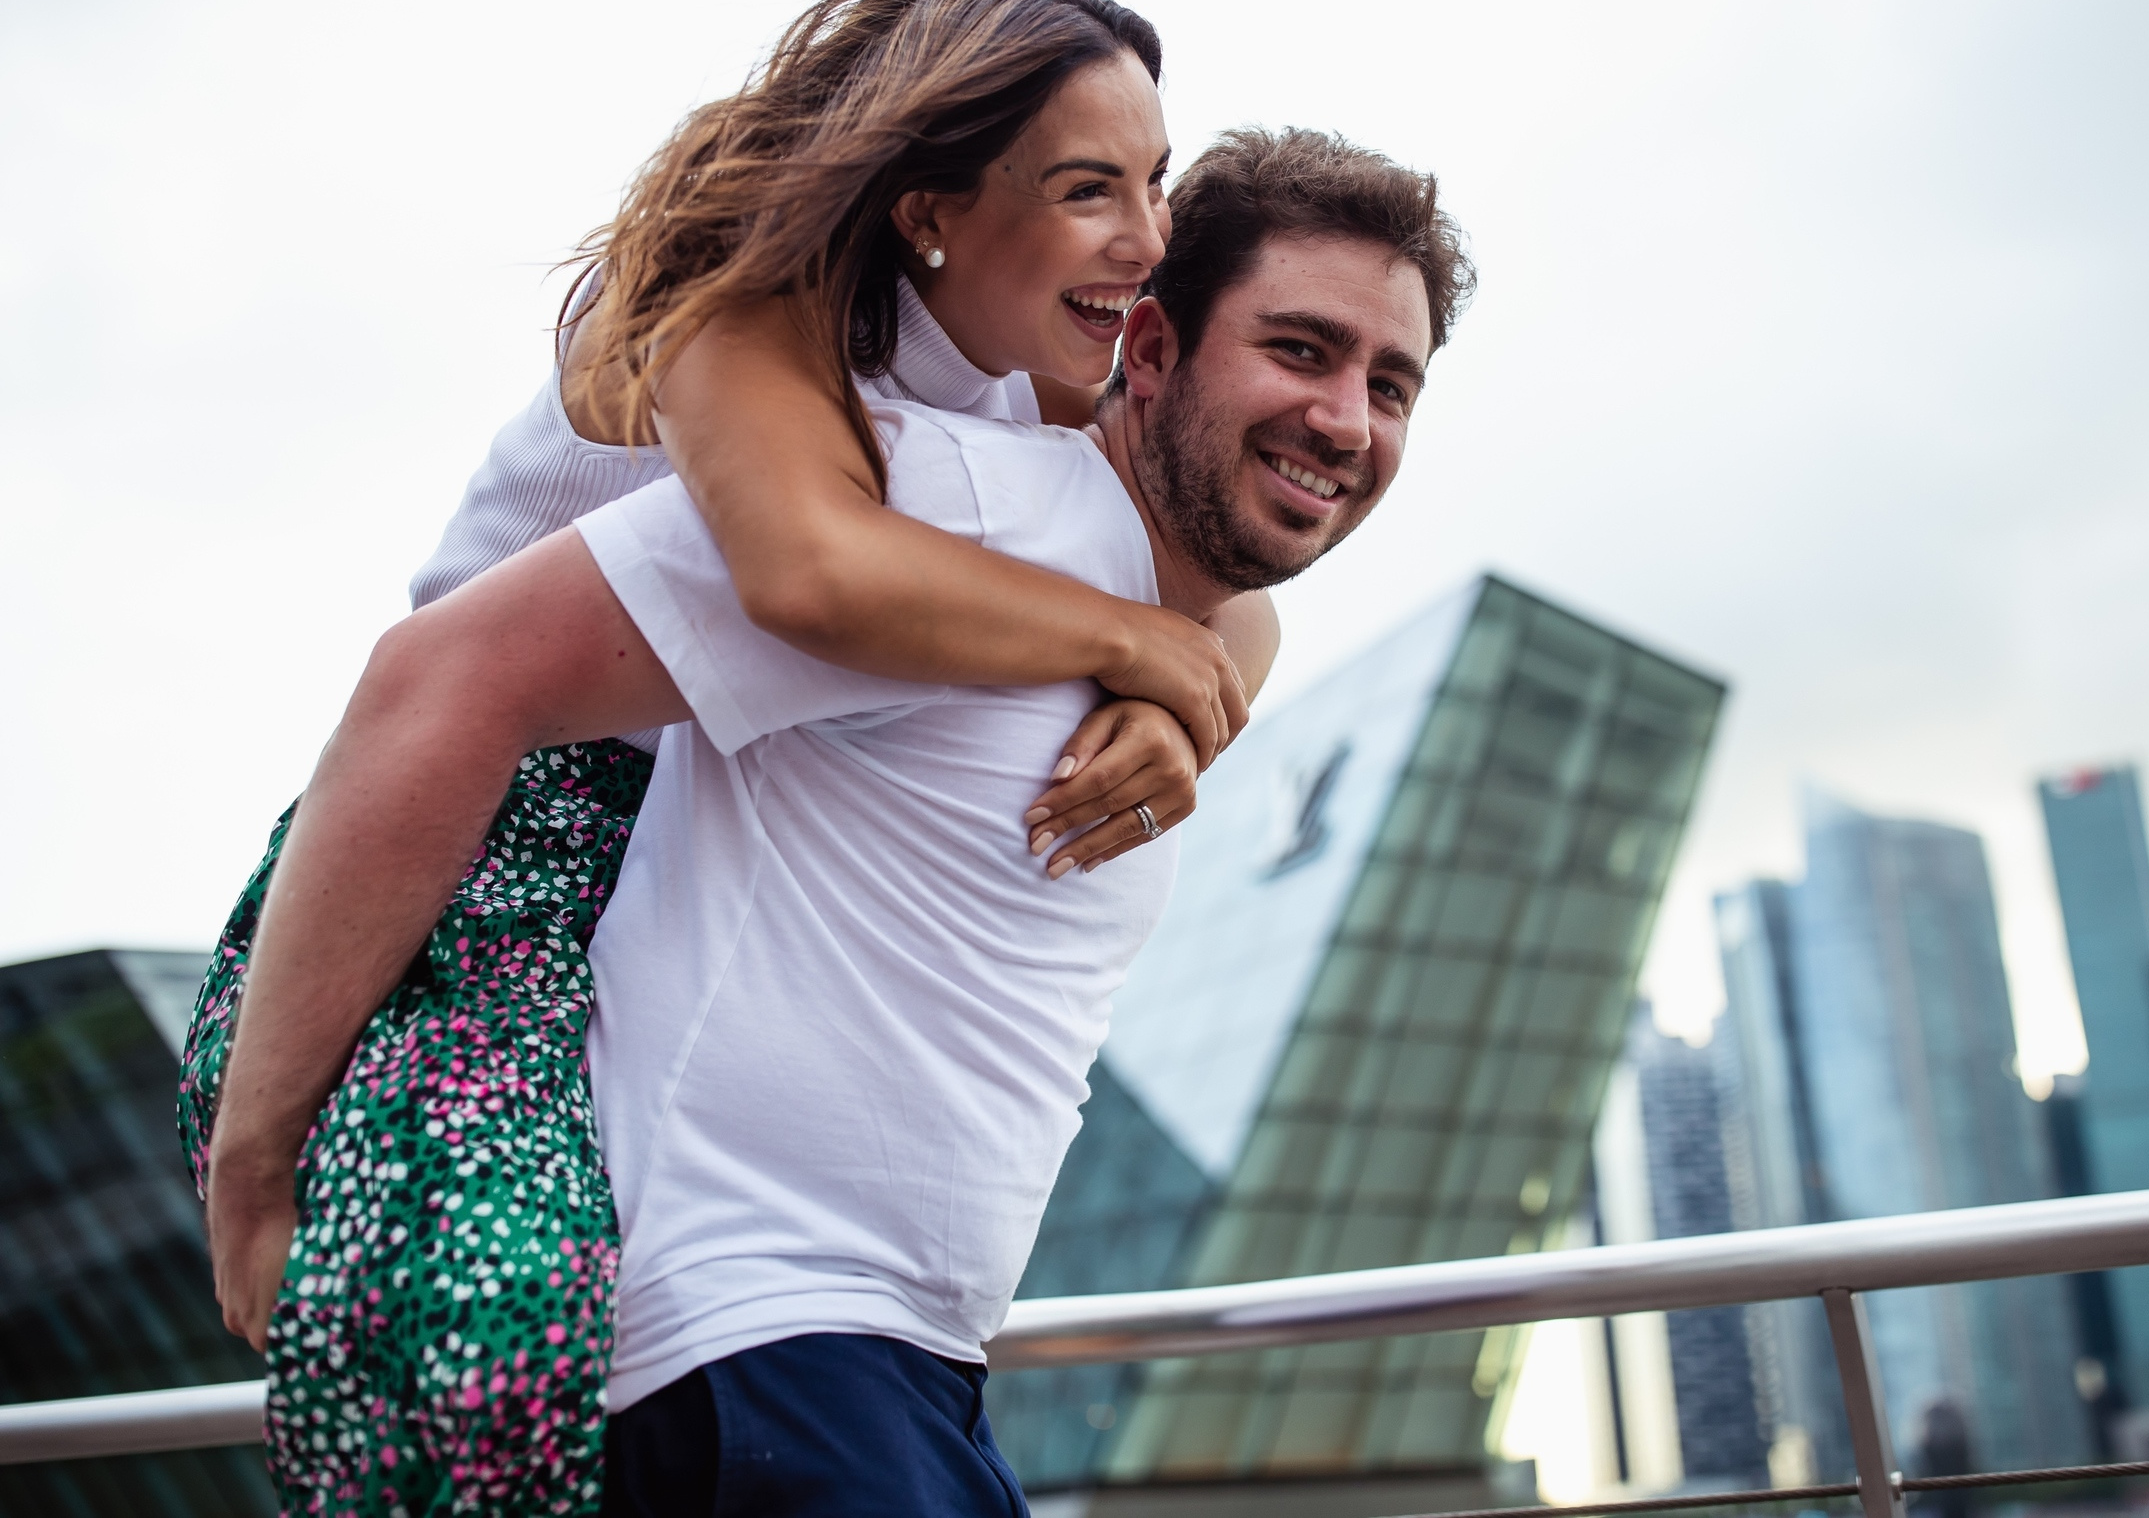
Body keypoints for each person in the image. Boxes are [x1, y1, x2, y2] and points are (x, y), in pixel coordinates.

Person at [222, 126, 1472, 1517]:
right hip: (756, 1345)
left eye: (1392, 384)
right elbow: (439, 675)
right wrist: (253, 1158)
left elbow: (1236, 623)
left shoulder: (1170, 607)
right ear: (1157, 348)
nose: (1350, 419)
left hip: (889, 1366)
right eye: (1300, 351)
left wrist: (1186, 691)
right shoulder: (941, 504)